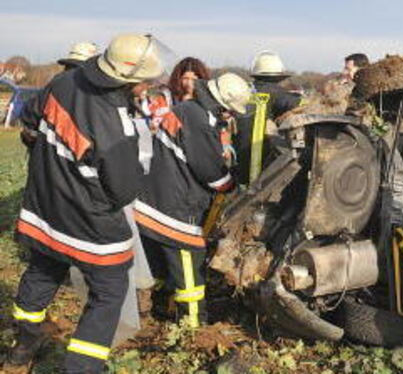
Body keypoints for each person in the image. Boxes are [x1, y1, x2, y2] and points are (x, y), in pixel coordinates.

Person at [9, 33, 172, 373]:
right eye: (143, 82)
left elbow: (31, 122)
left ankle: (22, 347)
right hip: (91, 226)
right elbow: (123, 191)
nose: (146, 87)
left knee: (41, 273)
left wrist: (52, 165)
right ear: (126, 80)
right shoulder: (117, 124)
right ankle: (80, 367)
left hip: (43, 212)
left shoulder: (64, 82)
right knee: (110, 292)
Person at [133, 72, 251, 328]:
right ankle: (192, 326)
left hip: (151, 202)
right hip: (175, 212)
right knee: (190, 265)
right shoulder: (199, 121)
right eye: (229, 111)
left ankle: (160, 308)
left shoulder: (186, 109)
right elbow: (210, 172)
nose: (230, 116)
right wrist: (231, 184)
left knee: (161, 265)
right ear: (220, 104)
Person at [233, 51, 302, 184]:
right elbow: (304, 105)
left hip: (238, 157)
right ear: (278, 76)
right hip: (260, 159)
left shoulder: (245, 90)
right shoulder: (276, 93)